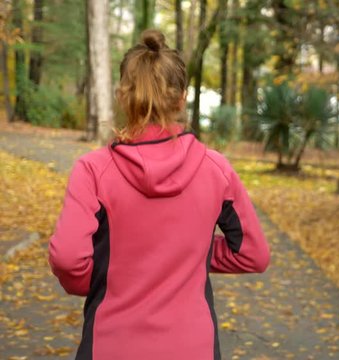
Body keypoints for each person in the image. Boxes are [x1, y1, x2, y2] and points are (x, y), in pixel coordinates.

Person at [48, 29, 270, 360]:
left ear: (123, 96)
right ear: (181, 98)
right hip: (193, 349)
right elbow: (252, 253)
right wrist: (189, 254)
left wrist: (103, 277)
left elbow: (68, 258)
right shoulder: (216, 169)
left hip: (111, 346)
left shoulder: (93, 170)